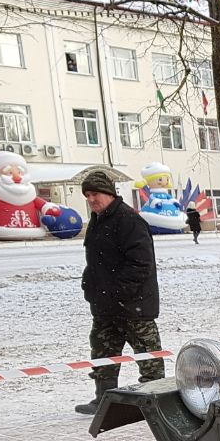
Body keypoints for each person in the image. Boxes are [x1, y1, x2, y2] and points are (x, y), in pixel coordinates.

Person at [75, 170, 164, 415]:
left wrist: (117, 292)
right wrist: (89, 285)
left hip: (134, 306)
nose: (91, 199)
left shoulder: (129, 220)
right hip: (104, 306)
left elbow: (141, 264)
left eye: (96, 194)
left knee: (148, 356)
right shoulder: (97, 220)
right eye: (87, 195)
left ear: (109, 193)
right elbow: (96, 261)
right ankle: (103, 399)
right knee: (103, 353)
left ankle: (156, 401)